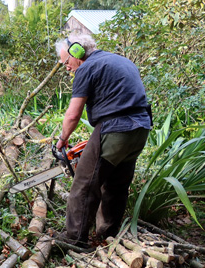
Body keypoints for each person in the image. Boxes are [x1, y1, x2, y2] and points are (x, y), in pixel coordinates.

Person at [55, 33, 152, 248]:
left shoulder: (87, 69)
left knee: (85, 183)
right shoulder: (121, 61)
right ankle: (108, 233)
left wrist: (63, 139)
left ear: (77, 52)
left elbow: (73, 114)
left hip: (115, 128)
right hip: (141, 129)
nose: (67, 68)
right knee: (116, 183)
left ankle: (75, 239)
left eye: (66, 62)